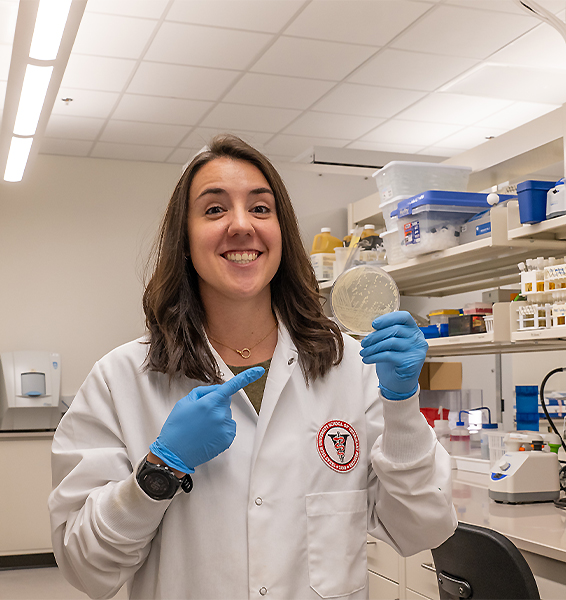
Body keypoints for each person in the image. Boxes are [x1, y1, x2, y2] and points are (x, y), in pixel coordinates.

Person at [49, 134, 457, 600]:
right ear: (183, 240)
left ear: (281, 234)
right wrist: (160, 468)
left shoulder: (349, 365)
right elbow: (85, 567)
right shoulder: (121, 379)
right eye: (215, 209)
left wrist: (402, 406)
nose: (242, 225)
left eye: (261, 209)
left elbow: (423, 527)